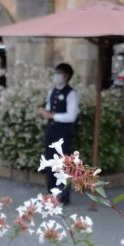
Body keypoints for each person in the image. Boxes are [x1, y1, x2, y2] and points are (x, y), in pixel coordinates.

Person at [38, 63, 79, 204]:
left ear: (66, 76)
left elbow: (71, 116)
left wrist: (52, 116)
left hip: (63, 133)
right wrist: (45, 112)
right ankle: (51, 193)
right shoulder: (52, 91)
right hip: (51, 131)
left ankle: (63, 196)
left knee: (62, 165)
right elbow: (49, 108)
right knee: (50, 163)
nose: (56, 75)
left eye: (59, 73)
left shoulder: (71, 93)